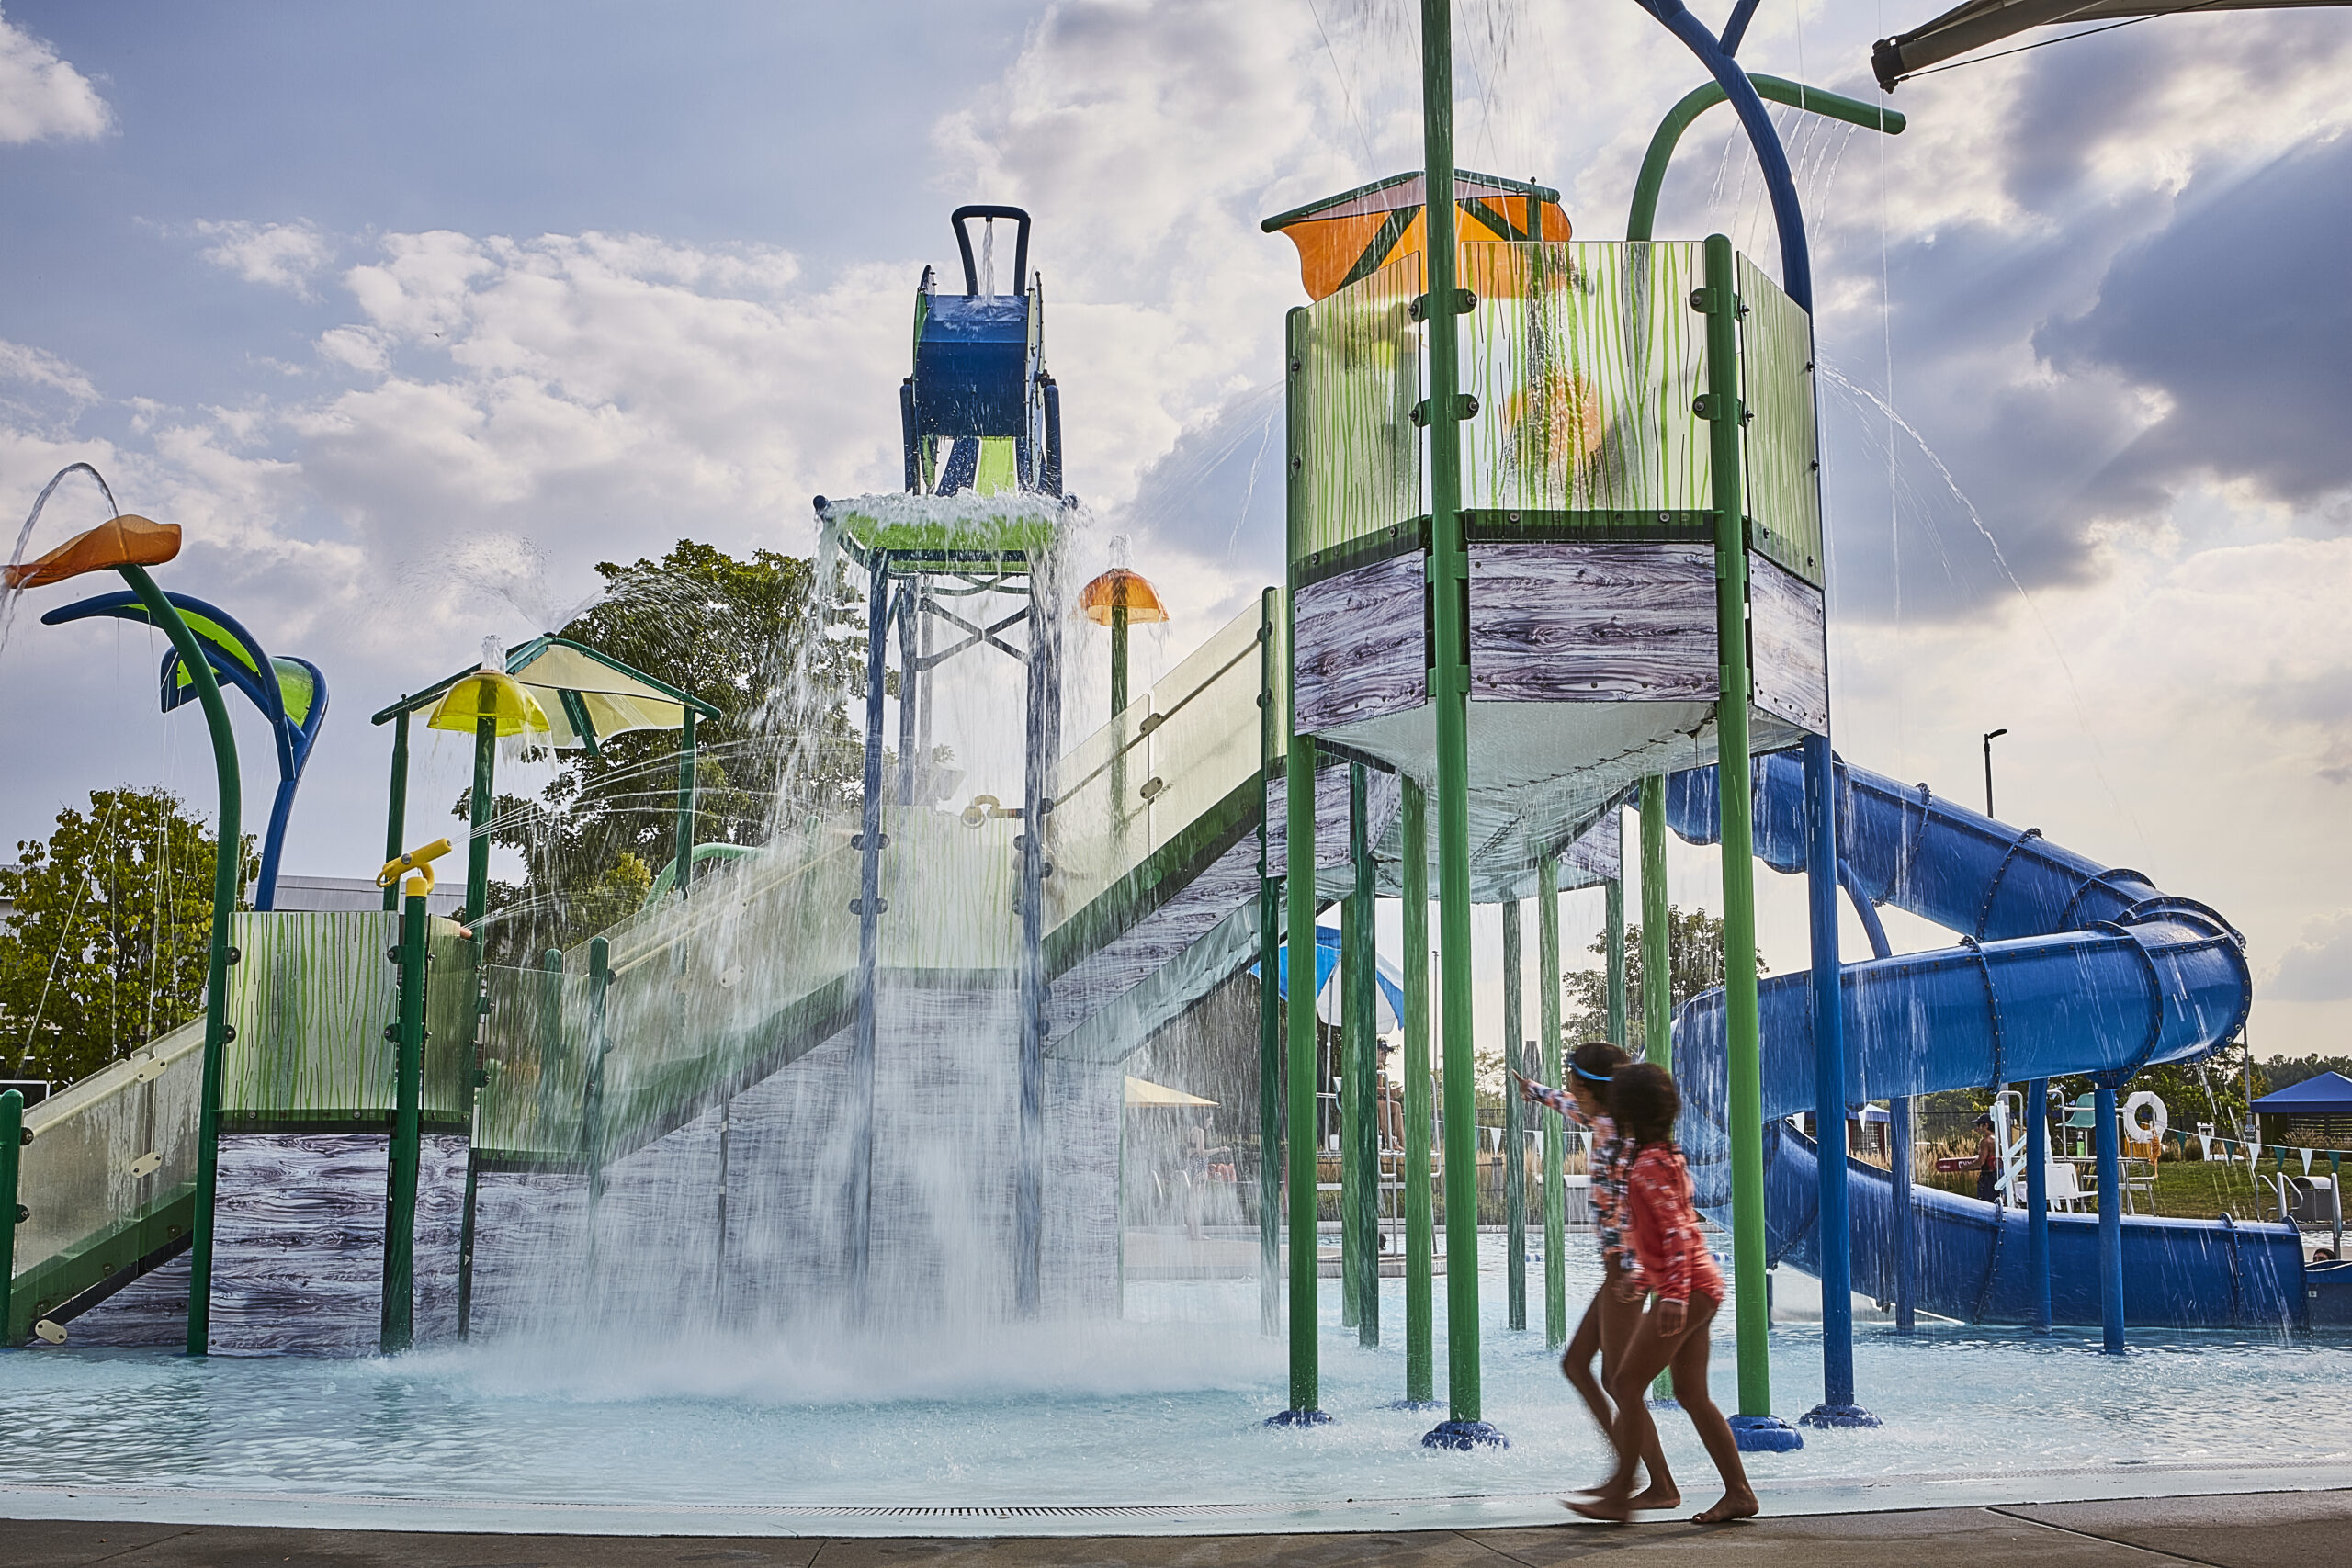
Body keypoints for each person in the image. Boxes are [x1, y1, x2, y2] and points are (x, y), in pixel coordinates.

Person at [1571, 1062, 1757, 1527]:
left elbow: (1675, 1231)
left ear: (1628, 1112)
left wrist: (1670, 1294)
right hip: (1699, 1285)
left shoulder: (1648, 1165)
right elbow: (1663, 1231)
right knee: (1692, 1393)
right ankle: (1739, 1492)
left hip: (1688, 1290)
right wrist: (1644, 1279)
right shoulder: (1664, 1154)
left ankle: (1620, 1492)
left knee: (1625, 1383)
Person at [1515, 1041, 1679, 1512]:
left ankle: (1638, 1482)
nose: (1568, 1087)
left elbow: (1644, 1207)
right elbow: (1569, 1107)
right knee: (1577, 1365)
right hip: (1620, 1270)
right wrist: (1536, 1092)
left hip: (1628, 1271)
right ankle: (1638, 1478)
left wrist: (1634, 1269)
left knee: (1617, 1379)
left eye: (1572, 1080)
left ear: (1592, 1088)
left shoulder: (1621, 1137)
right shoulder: (1604, 1121)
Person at [1973, 1112, 2001, 1203]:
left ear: (1986, 1125)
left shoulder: (1985, 1141)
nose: (1977, 1128)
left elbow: (1981, 1161)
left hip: (1988, 1176)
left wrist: (1965, 1167)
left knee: (1985, 1202)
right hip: (1997, 1175)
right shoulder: (1999, 1139)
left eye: (1979, 1125)